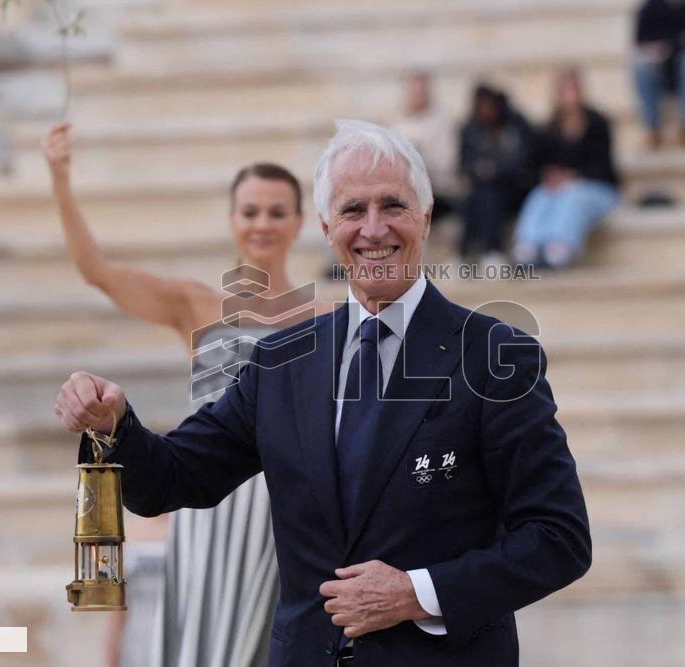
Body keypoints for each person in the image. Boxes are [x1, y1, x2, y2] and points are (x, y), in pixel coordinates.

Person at [54, 120, 591, 666]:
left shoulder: (495, 355)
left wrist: (417, 594)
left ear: (426, 219)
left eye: (394, 206)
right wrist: (114, 422)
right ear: (327, 226)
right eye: (354, 210)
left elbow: (558, 538)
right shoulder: (281, 361)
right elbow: (171, 477)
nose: (374, 229)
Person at [44, 123, 328, 667]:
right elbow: (96, 272)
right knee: (201, 644)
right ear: (231, 220)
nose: (262, 223)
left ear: (299, 222)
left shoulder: (326, 319)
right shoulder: (195, 304)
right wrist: (59, 180)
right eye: (250, 211)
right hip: (207, 503)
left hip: (283, 509)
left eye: (276, 211)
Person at [512, 67, 621, 269]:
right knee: (541, 195)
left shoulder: (598, 124)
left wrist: (575, 176)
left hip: (596, 189)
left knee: (572, 196)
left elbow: (605, 167)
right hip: (557, 188)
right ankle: (528, 245)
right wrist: (550, 176)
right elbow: (534, 166)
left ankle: (560, 247)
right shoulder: (547, 129)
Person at [458, 84, 540, 267]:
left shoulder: (517, 126)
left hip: (517, 189)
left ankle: (491, 251)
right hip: (483, 191)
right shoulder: (470, 129)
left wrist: (496, 170)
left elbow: (525, 163)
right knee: (477, 197)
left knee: (490, 195)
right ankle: (468, 253)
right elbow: (466, 164)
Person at [633, 0, 685, 147]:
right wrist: (681, 42)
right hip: (662, 74)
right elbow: (641, 45)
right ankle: (653, 129)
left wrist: (668, 47)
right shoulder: (650, 8)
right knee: (642, 65)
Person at [391, 71, 462, 224]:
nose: (416, 96)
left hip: (436, 189)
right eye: (413, 91)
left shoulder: (442, 123)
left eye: (420, 91)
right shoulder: (398, 123)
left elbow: (447, 162)